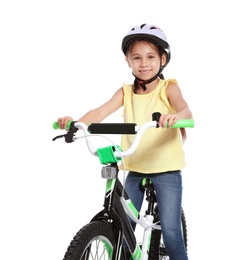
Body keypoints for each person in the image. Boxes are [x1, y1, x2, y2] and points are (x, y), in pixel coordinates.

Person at [57, 23, 192, 260]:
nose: (144, 63)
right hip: (136, 167)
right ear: (128, 61)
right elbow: (99, 112)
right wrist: (75, 123)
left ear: (162, 59)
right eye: (137, 57)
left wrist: (175, 117)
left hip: (167, 170)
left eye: (151, 57)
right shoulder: (125, 92)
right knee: (125, 226)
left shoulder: (168, 89)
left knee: (171, 235)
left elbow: (186, 112)